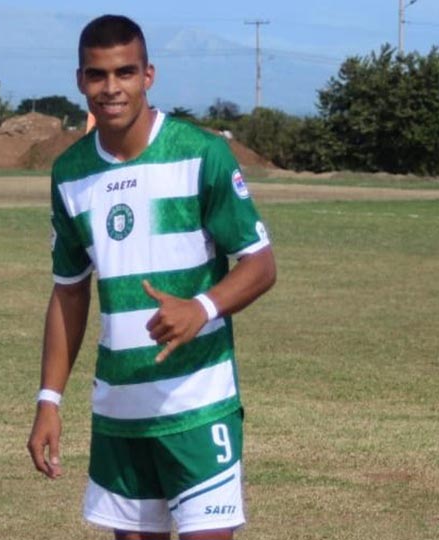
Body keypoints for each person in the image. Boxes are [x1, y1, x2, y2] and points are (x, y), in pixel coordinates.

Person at [27, 14, 276, 540]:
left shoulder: (200, 153)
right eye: (98, 75)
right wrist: (49, 401)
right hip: (120, 413)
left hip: (198, 405)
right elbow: (69, 292)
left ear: (148, 75)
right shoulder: (71, 174)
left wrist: (200, 308)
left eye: (125, 72)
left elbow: (260, 263)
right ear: (80, 81)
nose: (111, 88)